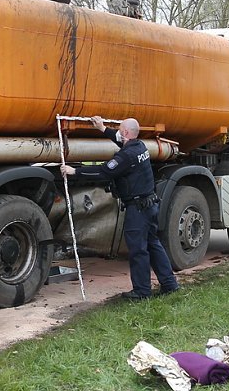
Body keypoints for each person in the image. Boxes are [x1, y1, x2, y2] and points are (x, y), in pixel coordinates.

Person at [61, 116, 179, 300]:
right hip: (149, 205)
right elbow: (120, 140)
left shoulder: (126, 155)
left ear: (125, 133)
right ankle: (169, 284)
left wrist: (74, 171)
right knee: (153, 244)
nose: (118, 133)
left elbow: (103, 171)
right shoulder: (139, 147)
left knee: (138, 250)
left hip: (138, 209)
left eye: (120, 130)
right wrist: (102, 128)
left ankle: (141, 292)